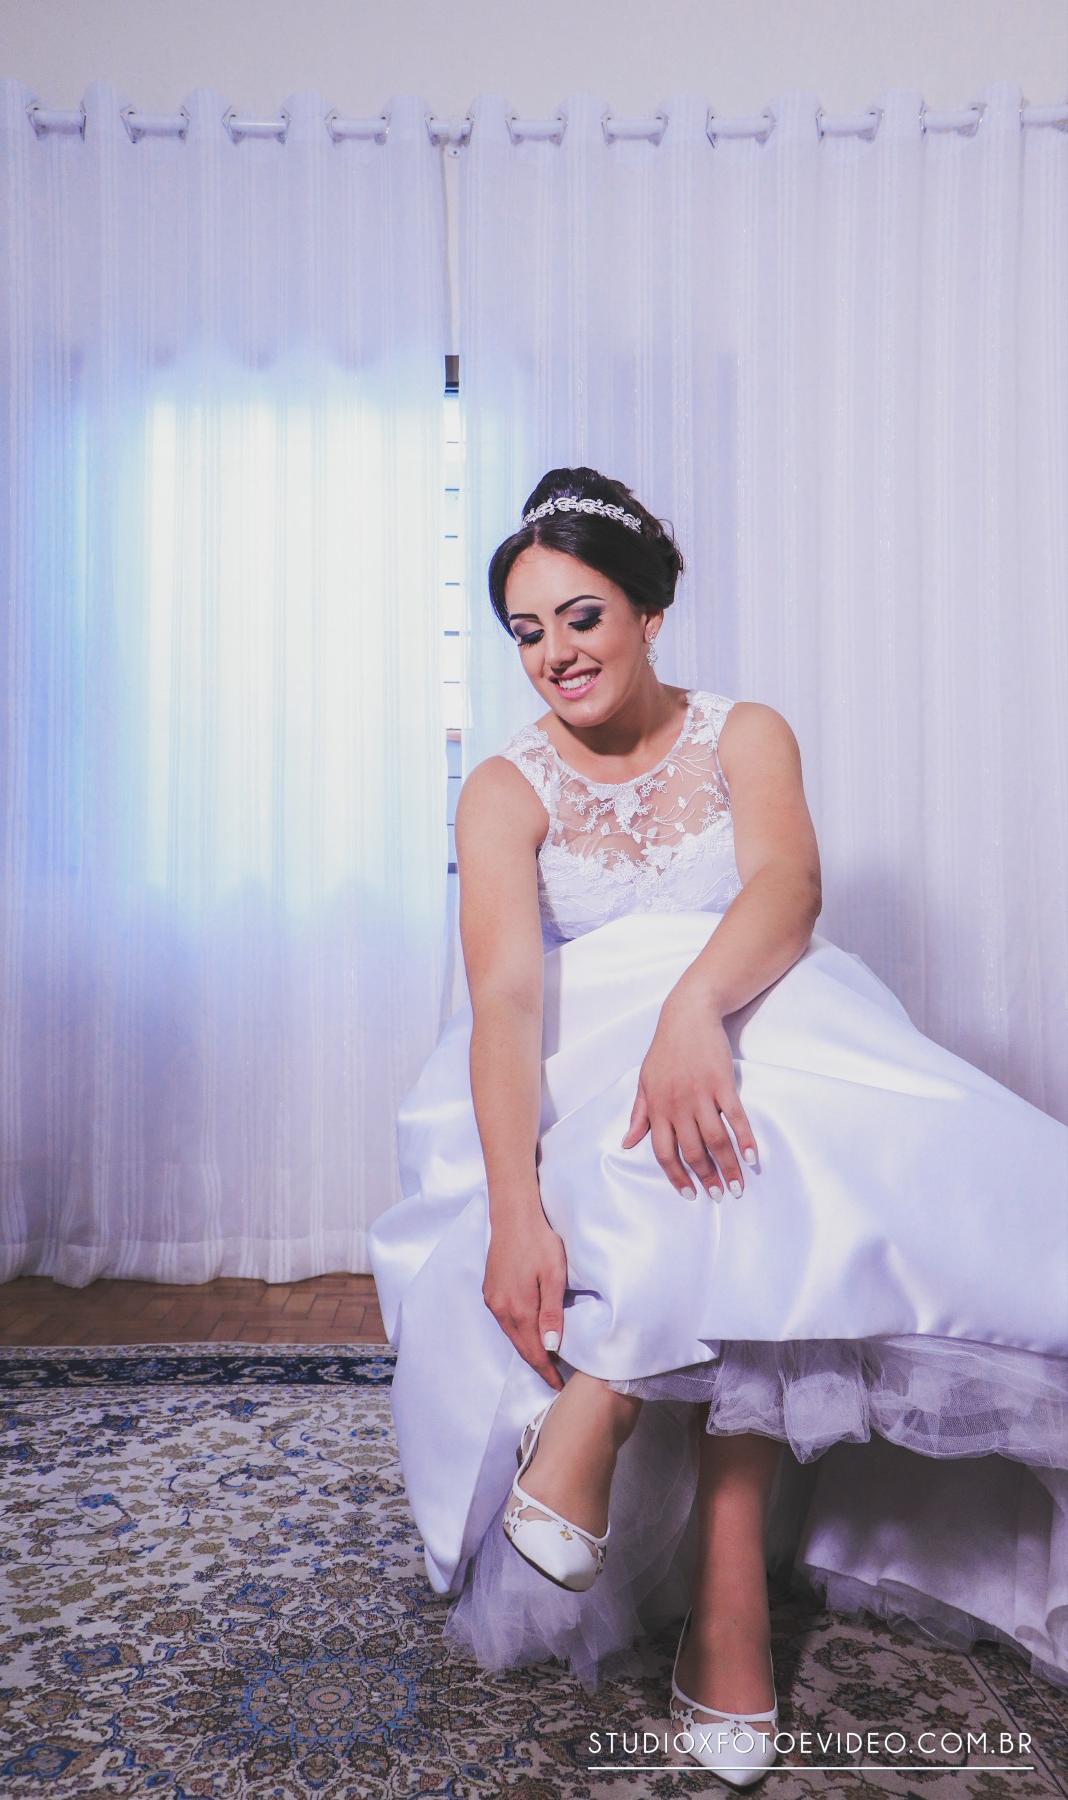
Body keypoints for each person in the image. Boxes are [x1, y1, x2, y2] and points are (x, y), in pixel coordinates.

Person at [367, 467, 1068, 1787]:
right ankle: (712, 1557)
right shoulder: (503, 788)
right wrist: (515, 1207)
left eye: (582, 618)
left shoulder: (745, 733)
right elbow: (506, 999)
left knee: (761, 1117)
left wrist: (696, 1013)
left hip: (756, 1009)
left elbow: (788, 888)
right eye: (527, 632)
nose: (556, 654)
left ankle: (643, 1443)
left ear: (648, 613)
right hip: (583, 1050)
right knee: (684, 1148)